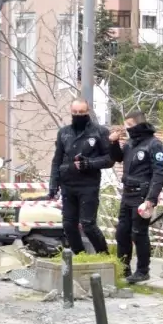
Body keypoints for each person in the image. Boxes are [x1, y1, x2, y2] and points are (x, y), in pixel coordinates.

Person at [109, 109, 163, 285]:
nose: (127, 129)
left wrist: (151, 199)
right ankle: (123, 269)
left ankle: (143, 271)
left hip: (142, 195)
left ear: (140, 124)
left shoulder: (154, 145)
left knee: (139, 233)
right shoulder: (130, 143)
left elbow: (159, 174)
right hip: (127, 193)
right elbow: (117, 158)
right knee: (122, 233)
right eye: (126, 125)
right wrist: (113, 143)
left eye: (130, 125)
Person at [48, 99, 111, 255]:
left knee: (88, 224)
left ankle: (104, 254)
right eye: (75, 112)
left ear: (87, 112)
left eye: (81, 112)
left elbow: (109, 159)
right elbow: (57, 159)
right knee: (68, 224)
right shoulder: (64, 132)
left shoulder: (99, 132)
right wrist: (53, 184)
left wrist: (89, 163)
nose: (78, 115)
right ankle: (79, 255)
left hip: (88, 185)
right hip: (68, 184)